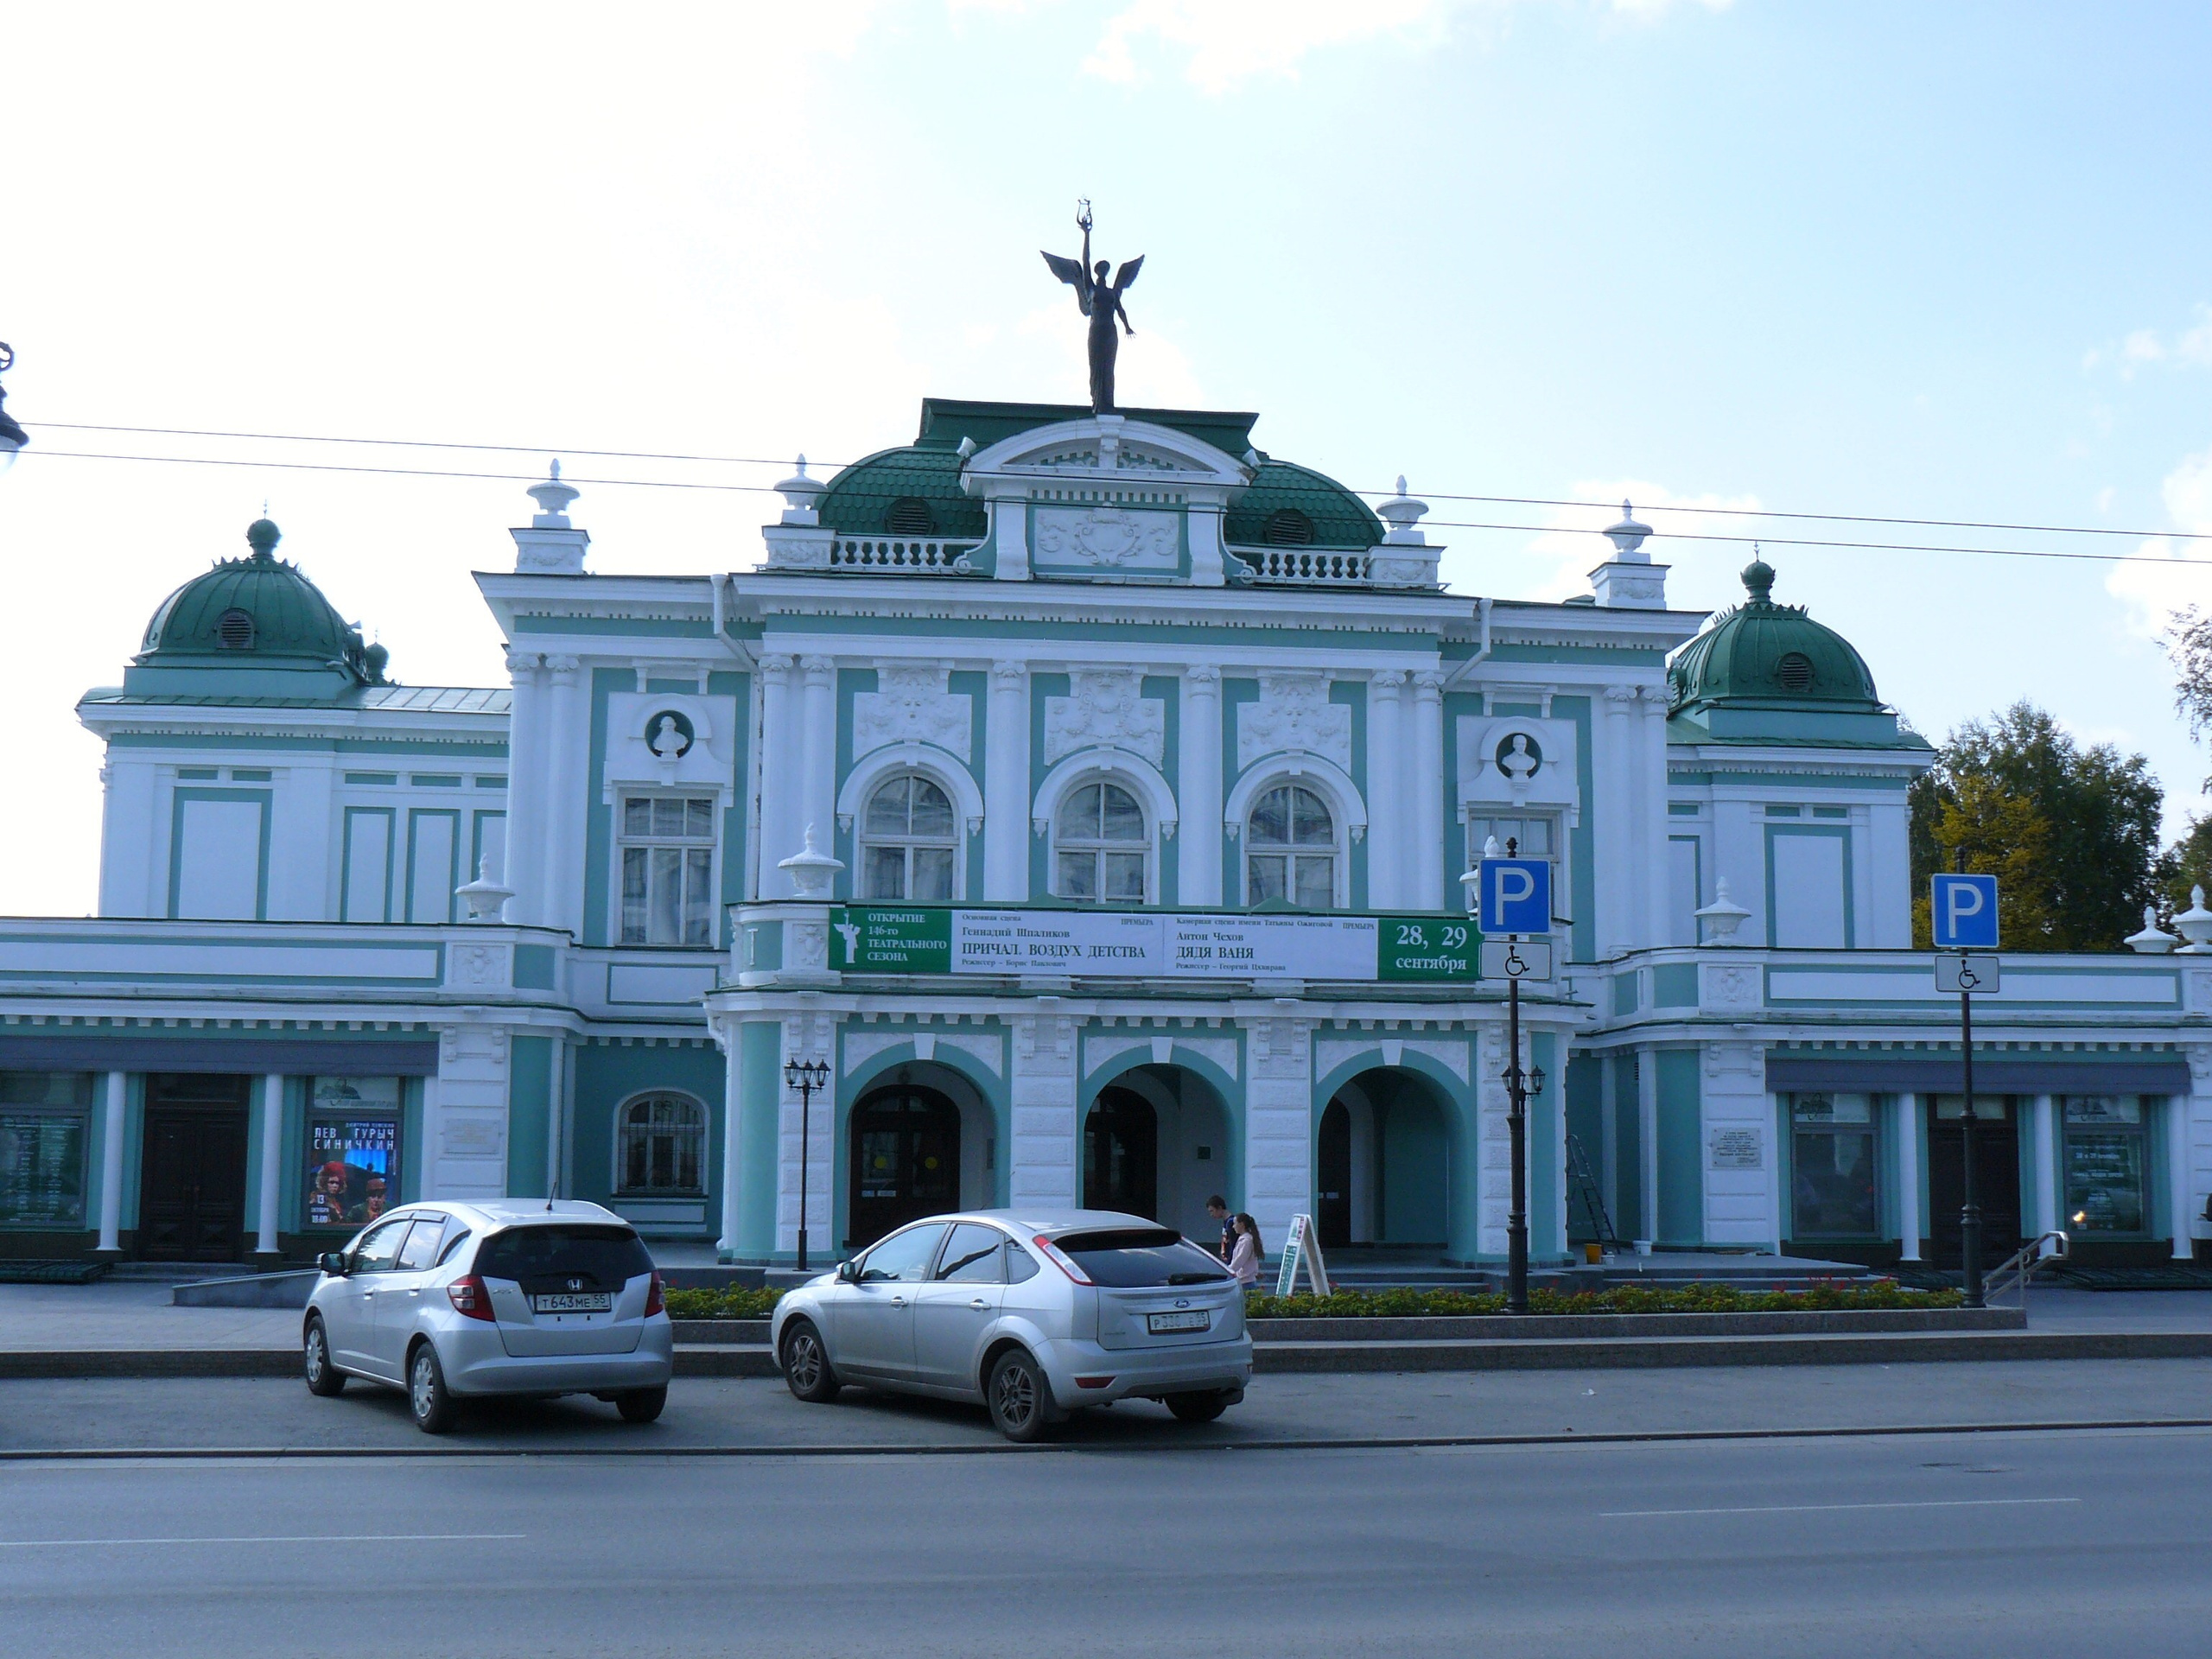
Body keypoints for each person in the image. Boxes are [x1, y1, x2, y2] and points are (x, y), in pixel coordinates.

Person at [1228, 1214, 1262, 1289]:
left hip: (1245, 1282)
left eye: (1235, 1224)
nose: (1233, 1227)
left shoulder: (1246, 1241)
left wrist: (1227, 1271)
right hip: (1243, 1281)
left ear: (1242, 1225)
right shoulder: (1244, 1239)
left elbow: (1239, 1261)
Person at [1205, 1196, 1233, 1262]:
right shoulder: (1226, 1222)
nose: (1211, 1214)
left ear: (1219, 1208)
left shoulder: (1231, 1222)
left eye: (1212, 1211)